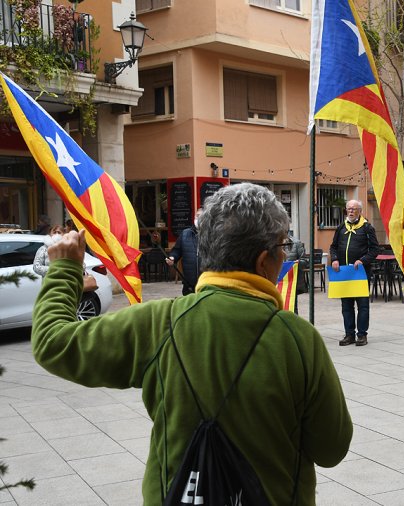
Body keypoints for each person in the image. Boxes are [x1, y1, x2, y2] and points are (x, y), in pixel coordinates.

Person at [30, 183, 353, 505]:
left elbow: (52, 343)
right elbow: (331, 449)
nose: (285, 254)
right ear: (263, 260)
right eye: (283, 246)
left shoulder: (157, 323)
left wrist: (64, 270)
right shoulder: (297, 339)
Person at [330, 199, 380, 347]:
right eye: (349, 209)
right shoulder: (340, 227)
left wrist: (363, 260)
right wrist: (334, 259)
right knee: (346, 306)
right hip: (344, 273)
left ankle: (362, 335)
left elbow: (375, 249)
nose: (351, 211)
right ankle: (349, 334)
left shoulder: (367, 228)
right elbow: (333, 247)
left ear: (360, 211)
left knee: (362, 306)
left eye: (354, 209)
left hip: (360, 273)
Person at [166, 209, 201, 295]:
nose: (199, 219)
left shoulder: (212, 235)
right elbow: (177, 250)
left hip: (207, 283)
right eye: (197, 216)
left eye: (203, 217)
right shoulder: (185, 234)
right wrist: (172, 257)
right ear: (194, 217)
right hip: (188, 283)